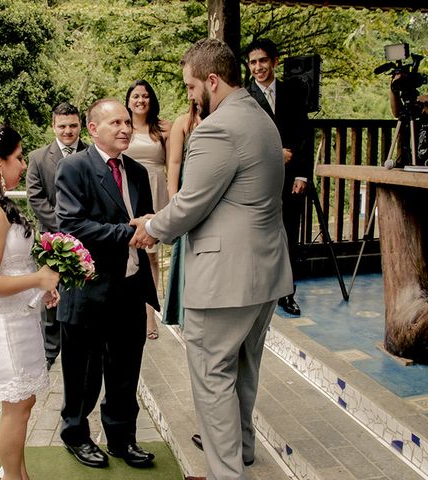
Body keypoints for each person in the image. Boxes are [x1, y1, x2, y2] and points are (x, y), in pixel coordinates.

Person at [130, 38, 292, 479]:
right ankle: (242, 450)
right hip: (266, 273)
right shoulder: (261, 117)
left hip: (225, 279)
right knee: (243, 370)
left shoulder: (217, 129)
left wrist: (150, 227)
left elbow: (190, 204)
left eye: (190, 86)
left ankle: (226, 473)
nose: (189, 94)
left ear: (212, 81)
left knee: (212, 376)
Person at [55, 99, 159, 469]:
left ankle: (121, 438)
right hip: (90, 289)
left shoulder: (137, 171)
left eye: (128, 122)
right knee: (83, 375)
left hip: (130, 287)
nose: (125, 128)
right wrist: (128, 233)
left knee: (125, 371)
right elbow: (71, 225)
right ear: (93, 129)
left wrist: (152, 232)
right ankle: (76, 435)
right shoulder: (74, 168)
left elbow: (145, 223)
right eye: (115, 122)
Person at [0, 124, 60, 480]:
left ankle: (19, 475)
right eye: (18, 158)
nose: (23, 165)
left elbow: (11, 264)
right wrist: (39, 279)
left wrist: (39, 287)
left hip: (16, 318)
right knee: (16, 407)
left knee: (24, 402)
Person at [245, 38, 311, 317]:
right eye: (252, 63)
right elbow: (244, 139)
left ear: (275, 61)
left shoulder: (293, 92)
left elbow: (305, 134)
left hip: (290, 178)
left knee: (289, 235)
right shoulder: (244, 97)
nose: (258, 67)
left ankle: (287, 293)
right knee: (257, 235)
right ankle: (259, 293)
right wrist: (274, 153)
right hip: (258, 180)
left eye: (262, 61)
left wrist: (302, 174)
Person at [26, 102, 87, 370]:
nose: (68, 131)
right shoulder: (38, 158)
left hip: (85, 237)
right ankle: (49, 351)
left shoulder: (91, 152)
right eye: (62, 126)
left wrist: (79, 227)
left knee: (81, 292)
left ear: (80, 125)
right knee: (50, 293)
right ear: (53, 126)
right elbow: (35, 198)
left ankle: (80, 349)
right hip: (50, 238)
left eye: (73, 125)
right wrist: (63, 227)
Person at [124, 79, 172, 340]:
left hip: (155, 190)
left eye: (145, 96)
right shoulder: (123, 127)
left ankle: (149, 315)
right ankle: (128, 311)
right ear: (128, 100)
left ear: (151, 100)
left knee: (151, 256)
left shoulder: (163, 128)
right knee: (129, 252)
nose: (140, 100)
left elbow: (174, 162)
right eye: (135, 96)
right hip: (128, 191)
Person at [163, 100, 201, 329]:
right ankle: (182, 313)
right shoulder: (183, 123)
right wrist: (173, 200)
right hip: (187, 189)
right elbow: (174, 162)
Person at [389, 73, 428, 166]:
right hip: (417, 160)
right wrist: (393, 90)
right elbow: (398, 113)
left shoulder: (424, 101)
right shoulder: (421, 104)